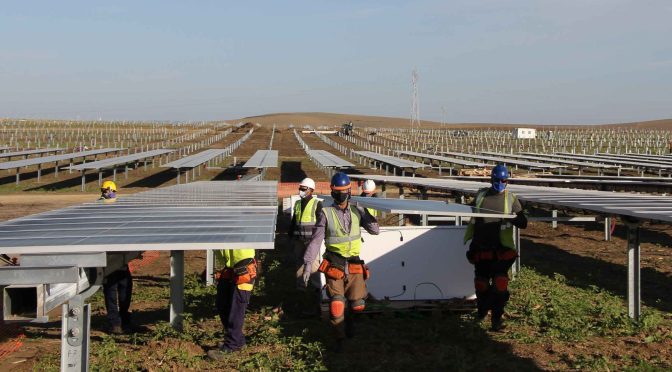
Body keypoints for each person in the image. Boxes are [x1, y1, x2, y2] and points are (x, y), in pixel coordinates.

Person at [302, 172, 379, 352]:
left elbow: (375, 230)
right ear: (332, 191)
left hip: (354, 264)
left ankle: (350, 323)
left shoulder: (357, 210)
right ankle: (339, 339)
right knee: (337, 304)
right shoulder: (326, 212)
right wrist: (307, 264)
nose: (341, 194)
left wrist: (364, 214)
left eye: (344, 191)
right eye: (337, 191)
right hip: (334, 264)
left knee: (357, 304)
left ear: (349, 191)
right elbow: (316, 240)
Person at [463, 164, 528, 331]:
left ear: (507, 181)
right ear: (491, 179)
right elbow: (469, 211)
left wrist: (513, 218)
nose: (500, 183)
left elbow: (523, 222)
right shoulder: (481, 195)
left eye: (503, 180)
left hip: (501, 249)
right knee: (481, 284)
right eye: (497, 180)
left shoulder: (511, 199)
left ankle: (496, 320)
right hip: (480, 247)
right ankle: (482, 312)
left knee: (500, 283)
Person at [98, 180, 142, 334]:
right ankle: (117, 321)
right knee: (116, 287)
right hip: (113, 256)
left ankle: (118, 320)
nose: (108, 193)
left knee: (119, 287)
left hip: (114, 256)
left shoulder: (102, 207)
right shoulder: (113, 207)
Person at [207, 248, 257, 360]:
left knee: (236, 310)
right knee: (222, 303)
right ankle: (238, 341)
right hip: (229, 266)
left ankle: (231, 345)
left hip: (244, 265)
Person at [289, 178, 323, 317]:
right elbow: (294, 222)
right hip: (299, 242)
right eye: (300, 188)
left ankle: (316, 300)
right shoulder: (297, 204)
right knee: (299, 269)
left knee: (313, 269)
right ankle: (301, 297)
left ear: (311, 190)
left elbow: (320, 224)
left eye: (304, 188)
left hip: (311, 243)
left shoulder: (317, 204)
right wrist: (290, 236)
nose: (301, 190)